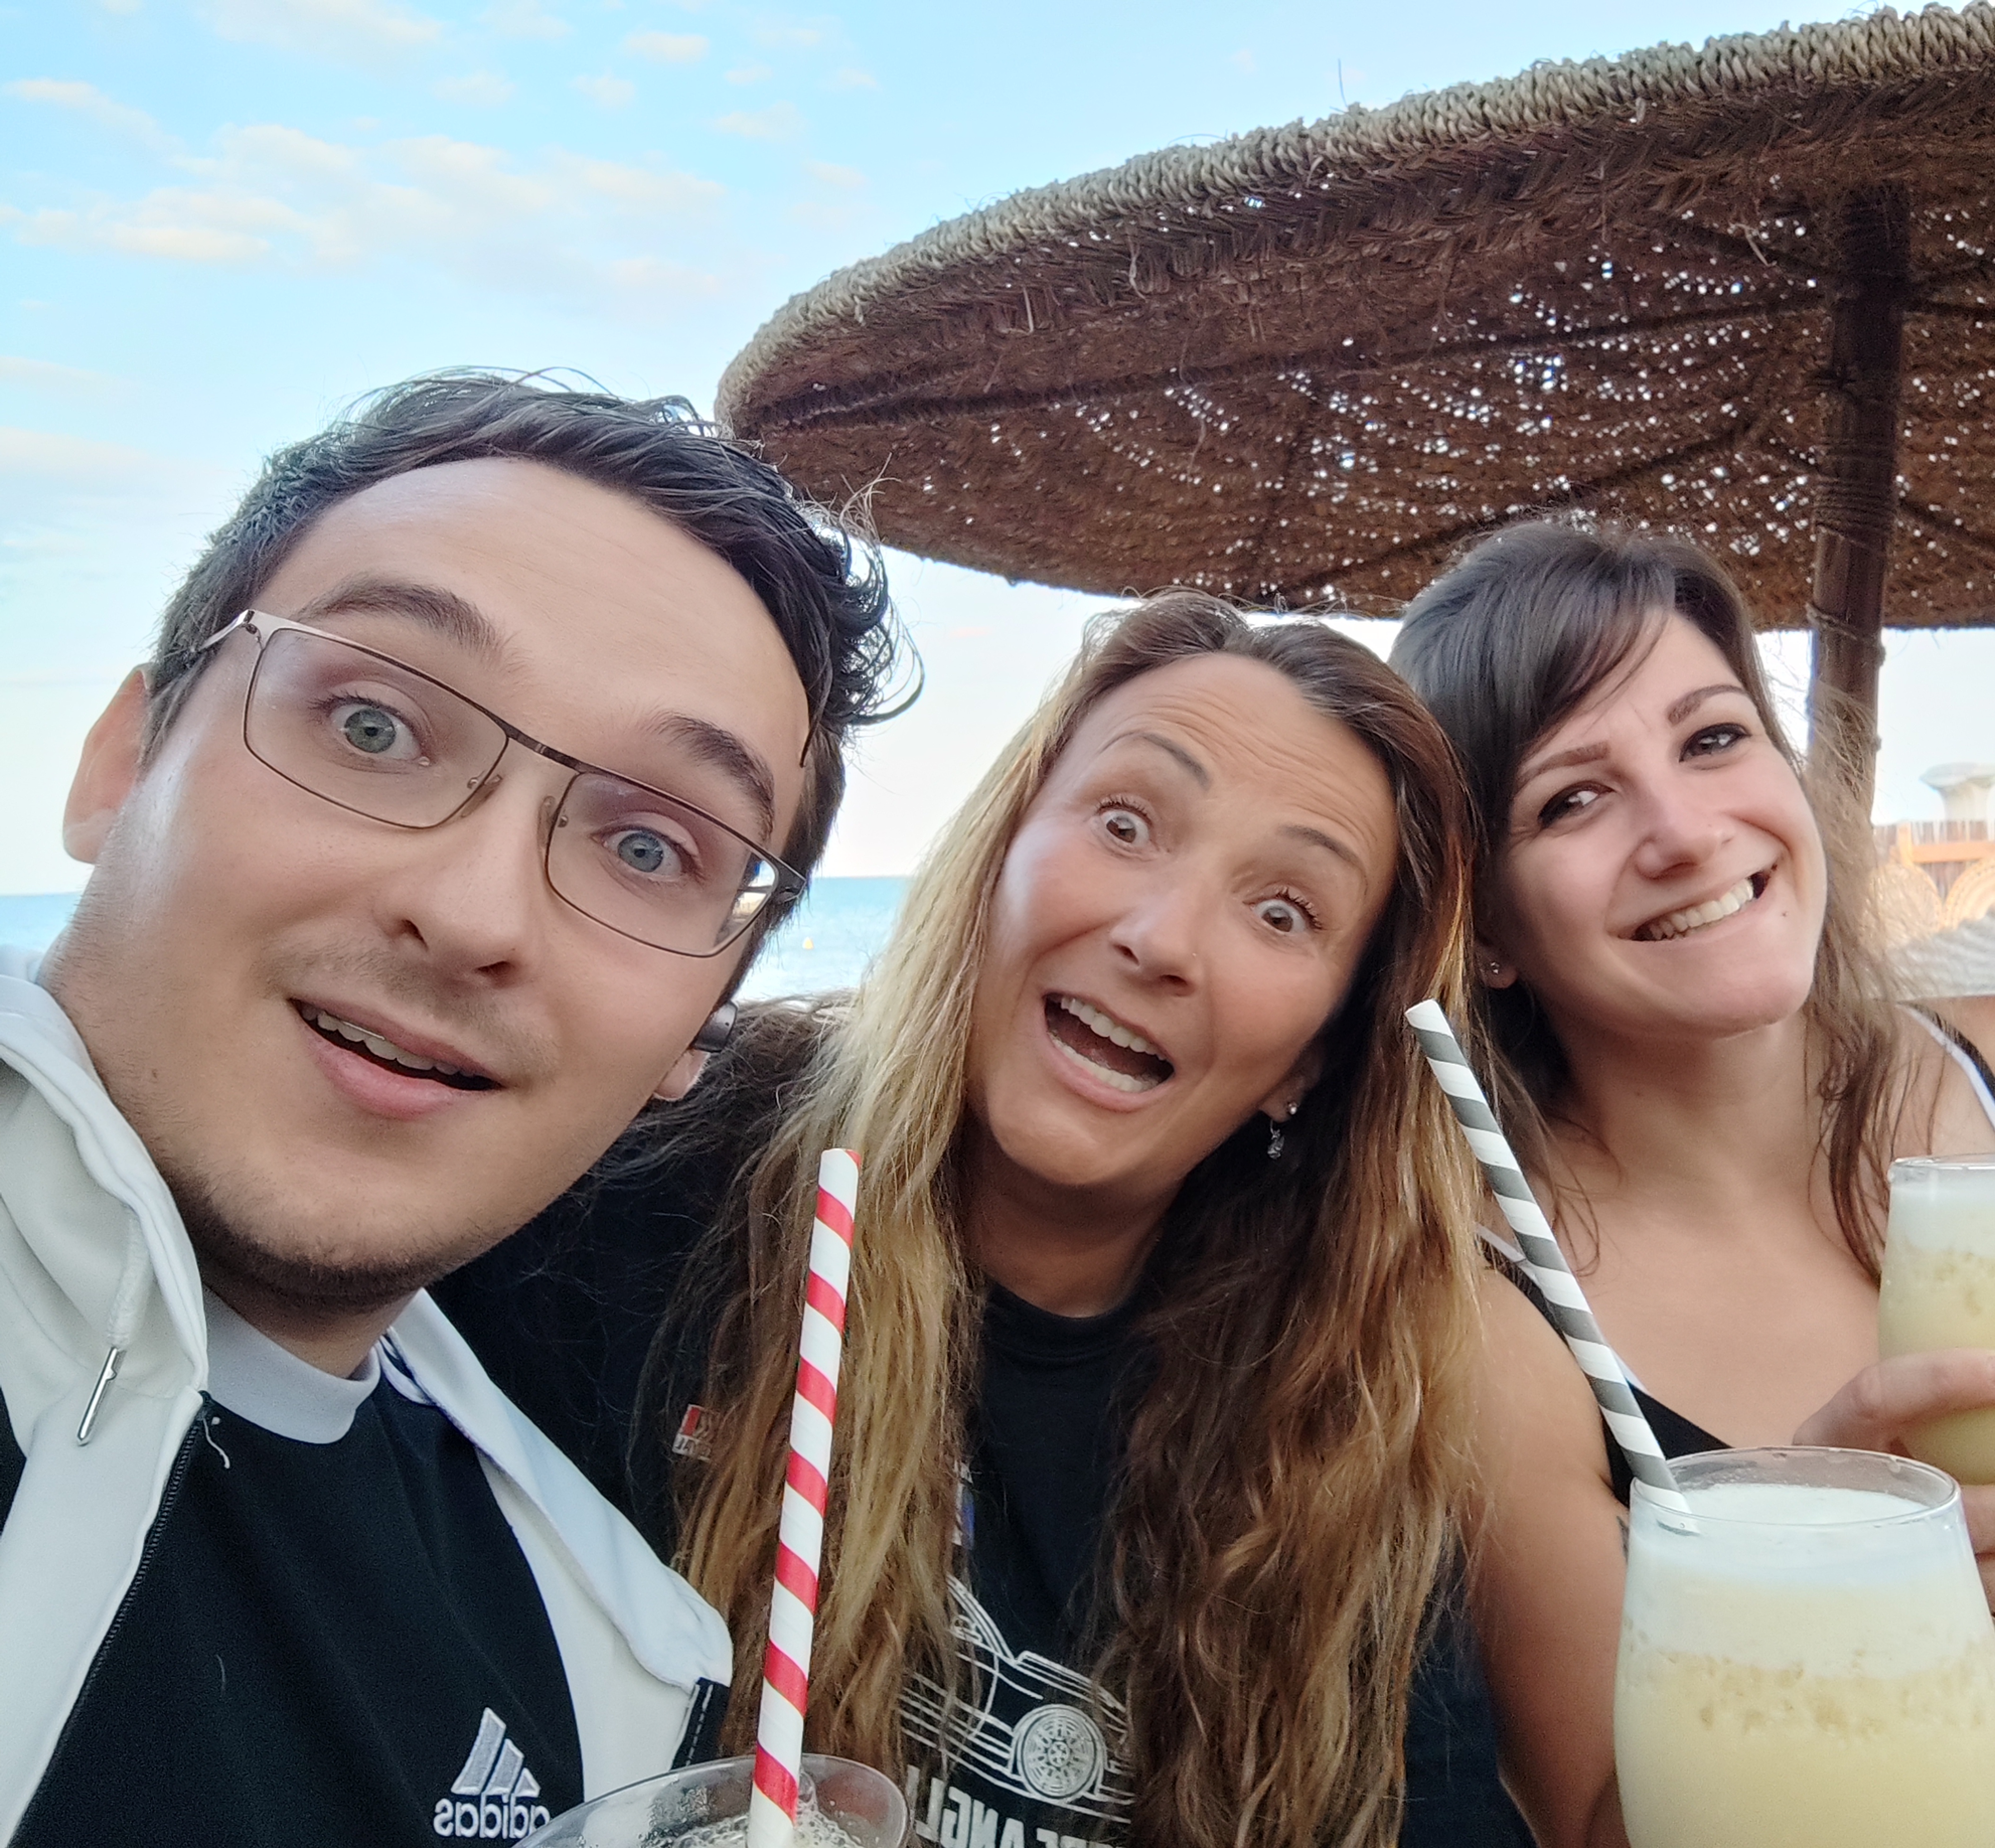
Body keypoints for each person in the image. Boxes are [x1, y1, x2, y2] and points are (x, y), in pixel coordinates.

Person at [447, 593, 1530, 1848]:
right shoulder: (633, 1195)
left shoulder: (1338, 1430)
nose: (1161, 939)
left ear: (1315, 1058)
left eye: (1283, 911)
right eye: (1124, 824)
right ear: (998, 854)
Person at [0, 373, 900, 1847]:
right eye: (372, 725)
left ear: (700, 1023)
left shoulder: (600, 1657)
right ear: (123, 761)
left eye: (650, 847)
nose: (476, 913)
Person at [1391, 522, 1995, 1848]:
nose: (1684, 832)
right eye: (1571, 800)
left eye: (1713, 738)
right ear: (1491, 931)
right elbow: (1597, 1821)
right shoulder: (1488, 1301)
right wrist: (1803, 1598)